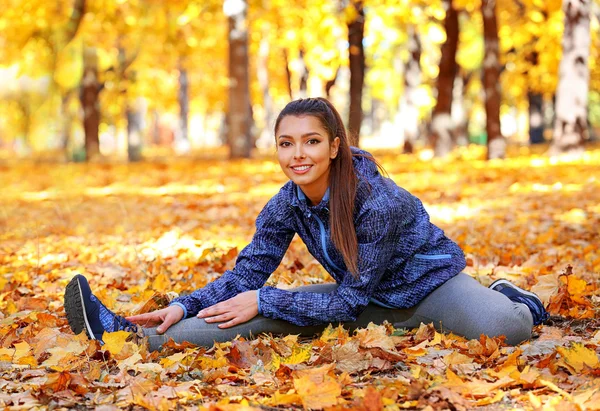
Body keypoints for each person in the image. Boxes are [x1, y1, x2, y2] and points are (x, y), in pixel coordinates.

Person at [64, 98, 549, 351]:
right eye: (286, 143)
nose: (298, 155)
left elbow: (351, 298)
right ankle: (122, 335)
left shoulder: (378, 201)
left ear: (334, 146)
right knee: (248, 316)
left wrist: (267, 297)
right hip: (358, 298)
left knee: (506, 331)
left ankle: (509, 297)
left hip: (428, 288)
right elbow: (246, 277)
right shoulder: (285, 204)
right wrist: (181, 304)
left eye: (312, 142)